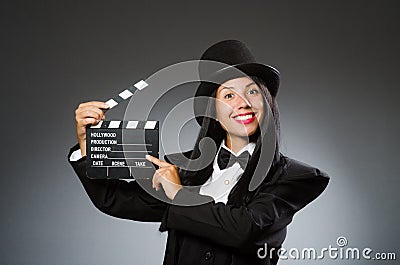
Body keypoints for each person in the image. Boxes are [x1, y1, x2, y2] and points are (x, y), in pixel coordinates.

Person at [68, 40, 329, 265]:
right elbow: (113, 199)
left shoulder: (297, 177)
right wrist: (86, 144)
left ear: (267, 102)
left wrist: (178, 193)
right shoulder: (183, 169)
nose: (243, 103)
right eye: (228, 96)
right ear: (212, 112)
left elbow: (246, 229)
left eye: (252, 91)